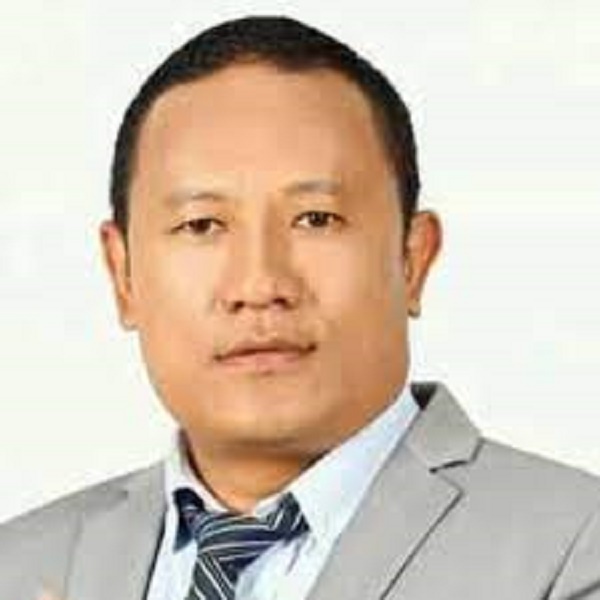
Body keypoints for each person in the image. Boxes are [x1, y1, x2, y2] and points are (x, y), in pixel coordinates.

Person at [1, 14, 599, 600]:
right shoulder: (20, 566)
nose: (260, 284)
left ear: (412, 259)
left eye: (316, 219)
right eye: (201, 224)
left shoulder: (574, 548)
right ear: (123, 274)